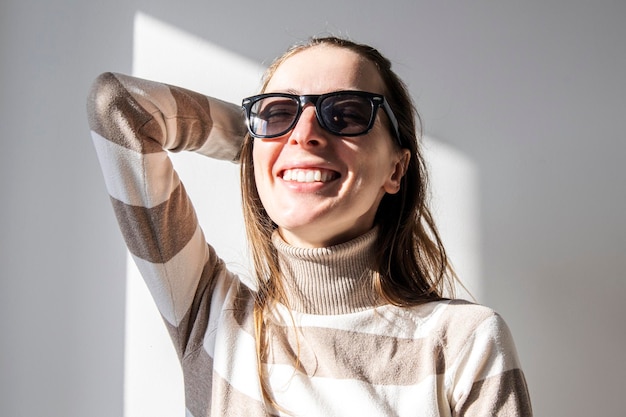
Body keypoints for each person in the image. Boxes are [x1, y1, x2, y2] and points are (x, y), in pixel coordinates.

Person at [87, 36, 532, 416]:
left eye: (348, 113)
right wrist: (263, 147)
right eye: (278, 113)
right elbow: (118, 106)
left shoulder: (464, 343)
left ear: (396, 170)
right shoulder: (212, 320)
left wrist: (277, 148)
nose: (304, 132)